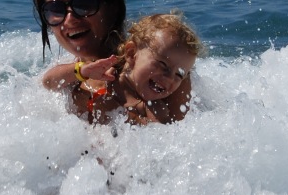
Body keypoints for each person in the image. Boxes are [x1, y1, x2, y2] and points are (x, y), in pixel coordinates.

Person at [32, 0, 193, 114]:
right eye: (55, 10)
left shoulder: (159, 72)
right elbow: (48, 81)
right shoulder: (71, 74)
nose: (69, 19)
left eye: (84, 4)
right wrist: (81, 71)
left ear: (112, 7)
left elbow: (178, 127)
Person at [69, 12, 202, 125]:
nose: (169, 77)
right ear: (132, 54)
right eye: (162, 64)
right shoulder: (99, 79)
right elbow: (54, 81)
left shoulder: (157, 110)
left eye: (179, 74)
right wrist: (80, 71)